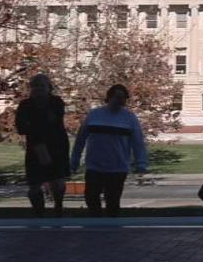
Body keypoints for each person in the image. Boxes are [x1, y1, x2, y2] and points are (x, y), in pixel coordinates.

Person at [70, 84, 149, 217]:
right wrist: (74, 161)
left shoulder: (130, 118)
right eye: (118, 97)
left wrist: (141, 163)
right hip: (94, 166)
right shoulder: (94, 115)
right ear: (109, 97)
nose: (121, 101)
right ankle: (95, 223)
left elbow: (138, 142)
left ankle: (112, 227)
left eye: (123, 98)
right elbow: (80, 140)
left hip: (118, 168)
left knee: (113, 201)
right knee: (91, 197)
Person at [15, 74, 70, 217]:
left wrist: (32, 125)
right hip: (35, 147)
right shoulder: (25, 105)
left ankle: (58, 207)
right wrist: (38, 125)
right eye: (35, 86)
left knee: (58, 183)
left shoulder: (56, 102)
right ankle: (38, 213)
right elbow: (21, 128)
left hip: (56, 147)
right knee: (34, 185)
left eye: (41, 86)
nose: (38, 89)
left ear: (49, 88)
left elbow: (53, 121)